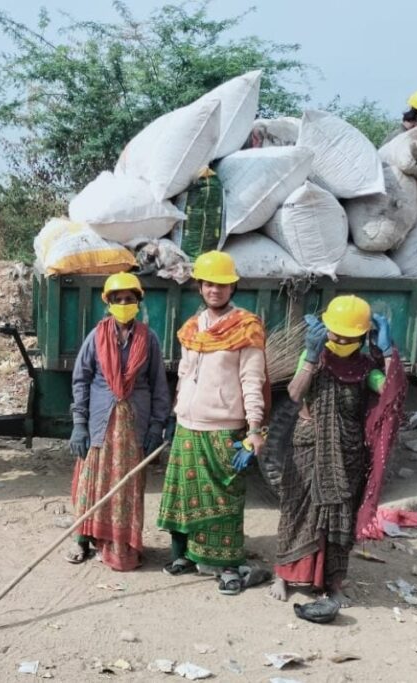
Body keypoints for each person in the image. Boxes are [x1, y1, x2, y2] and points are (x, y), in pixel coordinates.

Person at [268, 295, 407, 606]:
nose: (341, 341)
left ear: (363, 336)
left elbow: (391, 393)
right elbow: (294, 393)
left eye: (349, 336)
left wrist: (387, 353)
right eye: (337, 334)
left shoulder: (365, 367)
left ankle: (332, 582)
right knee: (296, 511)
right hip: (308, 446)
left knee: (339, 519)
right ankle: (283, 575)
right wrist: (310, 358)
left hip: (347, 452)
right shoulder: (314, 356)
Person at [157, 251, 268, 595]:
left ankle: (227, 566)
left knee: (224, 500)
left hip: (223, 427)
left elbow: (252, 381)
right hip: (187, 425)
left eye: (221, 284)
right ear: (199, 286)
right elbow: (184, 375)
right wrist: (175, 413)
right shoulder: (192, 328)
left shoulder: (246, 328)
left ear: (233, 286)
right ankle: (185, 555)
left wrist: (254, 430)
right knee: (183, 496)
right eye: (207, 283)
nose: (214, 290)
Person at [66, 272, 171, 571]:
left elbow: (159, 385)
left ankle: (120, 545)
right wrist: (79, 423)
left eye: (129, 299)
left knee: (127, 488)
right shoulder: (96, 336)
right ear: (109, 303)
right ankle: (81, 540)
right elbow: (81, 380)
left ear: (138, 302)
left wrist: (157, 425)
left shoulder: (148, 339)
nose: (124, 304)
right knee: (91, 484)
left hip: (133, 427)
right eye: (118, 299)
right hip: (100, 425)